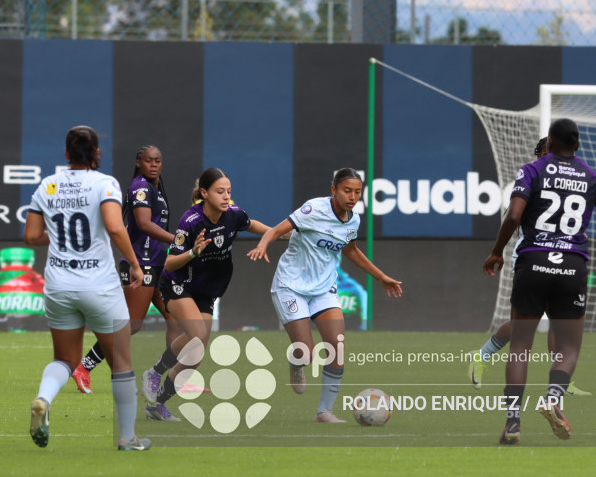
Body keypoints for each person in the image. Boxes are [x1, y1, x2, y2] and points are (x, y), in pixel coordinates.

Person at [483, 119, 596, 445]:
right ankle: (552, 397)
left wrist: (496, 252)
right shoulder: (593, 178)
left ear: (549, 140)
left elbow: (515, 216)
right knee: (568, 346)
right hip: (572, 267)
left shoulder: (532, 170)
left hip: (533, 262)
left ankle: (513, 424)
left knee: (520, 346)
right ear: (577, 145)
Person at [24, 125, 150, 451]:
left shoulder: (47, 185)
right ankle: (128, 438)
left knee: (65, 358)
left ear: (66, 154)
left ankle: (43, 398)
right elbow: (113, 226)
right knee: (121, 361)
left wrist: (63, 240)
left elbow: (32, 237)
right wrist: (135, 263)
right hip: (100, 286)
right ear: (97, 153)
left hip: (59, 284)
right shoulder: (104, 183)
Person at [248, 168, 403, 423]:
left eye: (357, 192)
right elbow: (276, 230)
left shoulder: (353, 219)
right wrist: (263, 244)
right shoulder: (313, 210)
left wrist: (380, 276)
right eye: (346, 191)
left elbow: (351, 250)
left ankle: (324, 412)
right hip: (291, 286)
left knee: (336, 349)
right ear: (333, 190)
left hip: (323, 289)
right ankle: (297, 363)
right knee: (306, 353)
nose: (352, 196)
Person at [144, 167, 274, 420]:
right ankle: (155, 371)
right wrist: (193, 252)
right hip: (178, 283)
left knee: (196, 354)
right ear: (204, 193)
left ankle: (157, 405)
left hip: (206, 288)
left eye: (229, 191)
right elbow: (170, 264)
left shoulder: (233, 215)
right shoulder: (190, 222)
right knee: (197, 335)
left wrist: (279, 233)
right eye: (220, 191)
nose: (226, 196)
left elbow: (253, 224)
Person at [469, 137, 591, 396]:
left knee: (558, 320)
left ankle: (561, 379)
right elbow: (512, 217)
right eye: (548, 153)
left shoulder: (562, 183)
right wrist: (498, 251)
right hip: (532, 257)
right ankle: (483, 354)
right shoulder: (531, 179)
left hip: (559, 257)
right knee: (527, 324)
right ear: (539, 154)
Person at [71, 145, 180, 395]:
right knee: (131, 324)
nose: (154, 164)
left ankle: (172, 376)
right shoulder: (140, 187)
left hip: (157, 263)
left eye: (158, 160)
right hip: (140, 263)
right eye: (148, 161)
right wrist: (177, 240)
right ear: (138, 162)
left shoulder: (154, 188)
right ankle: (84, 367)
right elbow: (142, 224)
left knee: (175, 320)